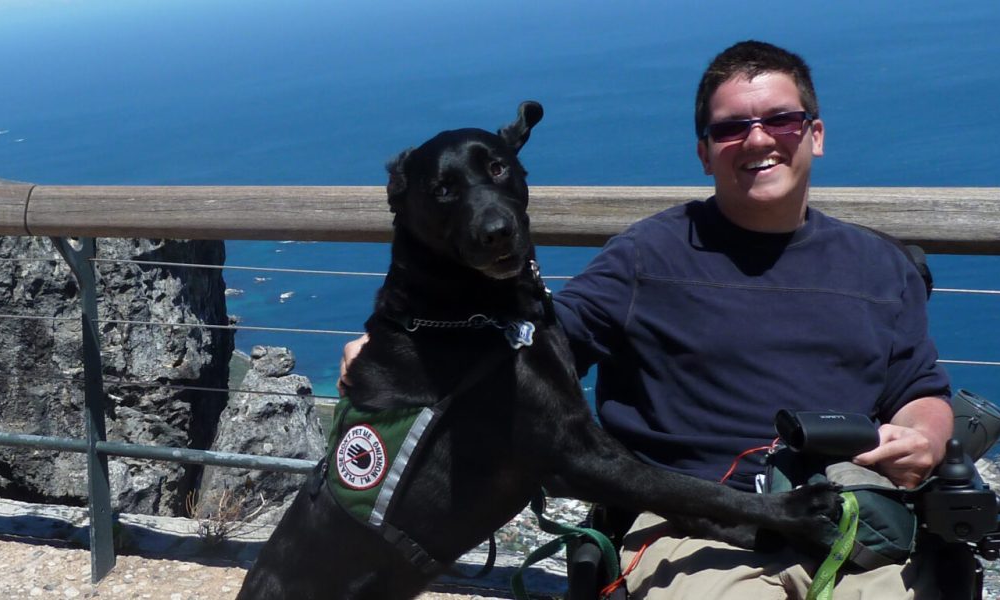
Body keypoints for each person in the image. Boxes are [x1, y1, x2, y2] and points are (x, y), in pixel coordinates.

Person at [343, 40, 953, 598]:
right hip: (700, 530)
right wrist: (400, 354)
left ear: (814, 134)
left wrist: (925, 436)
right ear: (704, 153)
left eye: (781, 120)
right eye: (732, 128)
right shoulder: (647, 258)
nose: (760, 139)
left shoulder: (881, 265)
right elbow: (534, 344)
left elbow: (920, 390)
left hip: (853, 520)